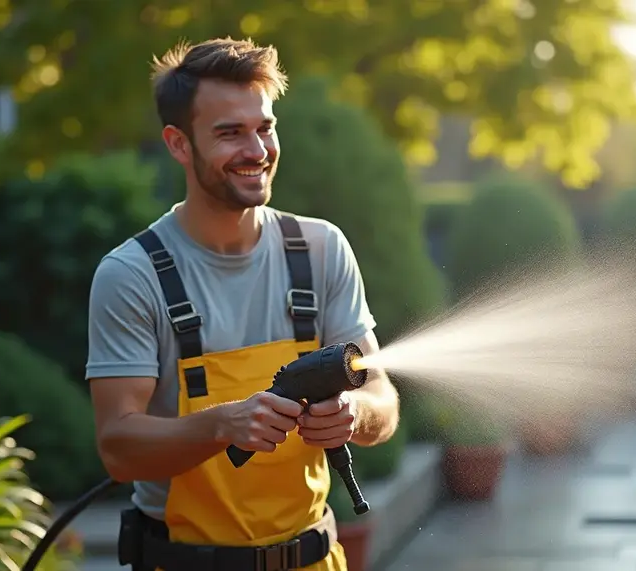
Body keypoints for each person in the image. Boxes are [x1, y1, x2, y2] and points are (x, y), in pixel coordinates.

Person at [85, 36, 400, 571]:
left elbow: (383, 399)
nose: (256, 151)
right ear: (179, 143)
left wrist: (355, 414)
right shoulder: (132, 276)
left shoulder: (321, 250)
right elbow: (118, 448)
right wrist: (220, 425)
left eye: (265, 128)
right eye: (230, 134)